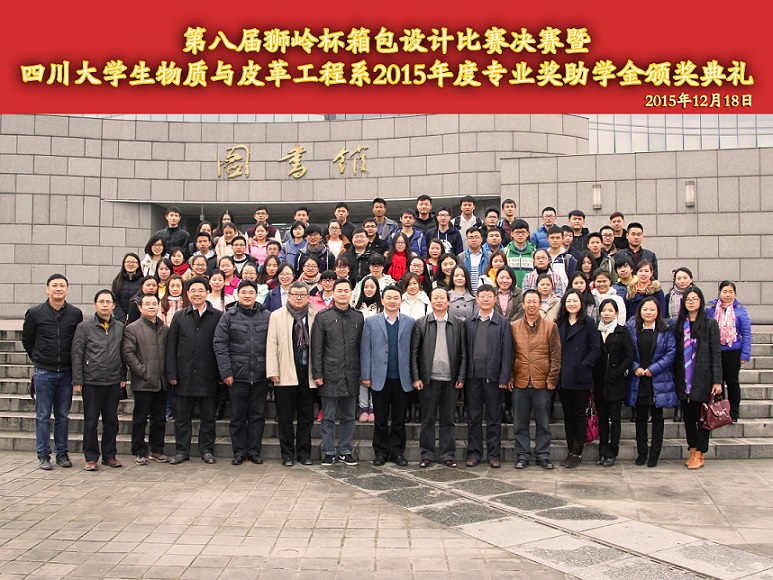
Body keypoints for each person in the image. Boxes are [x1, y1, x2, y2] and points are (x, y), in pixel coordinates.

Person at [22, 274, 84, 470]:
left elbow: (77, 342)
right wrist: (38, 358)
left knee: (62, 416)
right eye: (54, 285)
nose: (58, 288)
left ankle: (62, 454)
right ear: (47, 288)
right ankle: (43, 455)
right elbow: (27, 340)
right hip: (44, 372)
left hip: (66, 372)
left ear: (67, 289)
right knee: (42, 416)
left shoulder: (75, 314)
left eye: (62, 285)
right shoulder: (35, 313)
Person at [213, 279, 271, 466]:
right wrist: (226, 372)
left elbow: (274, 344)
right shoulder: (228, 317)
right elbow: (220, 345)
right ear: (238, 295)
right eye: (243, 292)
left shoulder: (267, 316)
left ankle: (254, 451)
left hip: (260, 375)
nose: (247, 296)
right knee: (237, 417)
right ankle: (239, 451)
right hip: (237, 376)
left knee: (257, 416)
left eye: (250, 292)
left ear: (256, 295)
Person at [166, 277, 223, 465]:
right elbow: (171, 346)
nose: (197, 294)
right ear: (187, 294)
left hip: (208, 375)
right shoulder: (179, 316)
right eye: (193, 291)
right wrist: (172, 373)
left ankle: (207, 450)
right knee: (182, 418)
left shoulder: (217, 316)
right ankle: (182, 451)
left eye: (201, 290)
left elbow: (222, 346)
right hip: (184, 375)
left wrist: (221, 373)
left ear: (207, 293)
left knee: (208, 417)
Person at [411, 286, 467, 468]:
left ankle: (447, 454)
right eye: (435, 298)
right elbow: (414, 353)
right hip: (428, 380)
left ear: (448, 301)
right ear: (430, 301)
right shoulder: (421, 323)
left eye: (442, 297)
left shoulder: (458, 324)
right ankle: (427, 454)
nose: (439, 301)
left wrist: (461, 376)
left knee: (448, 419)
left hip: (451, 380)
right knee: (427, 419)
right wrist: (416, 377)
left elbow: (464, 353)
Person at [360, 286, 416, 466]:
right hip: (379, 378)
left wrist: (415, 376)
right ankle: (381, 452)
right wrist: (366, 375)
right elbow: (365, 350)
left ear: (401, 300)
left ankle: (397, 452)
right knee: (381, 419)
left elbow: (414, 351)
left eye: (395, 298)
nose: (392, 301)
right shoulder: (371, 322)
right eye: (388, 298)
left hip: (402, 378)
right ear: (382, 300)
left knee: (399, 419)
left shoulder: (410, 322)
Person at [311, 278, 365, 466]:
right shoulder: (323, 317)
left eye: (346, 290)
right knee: (328, 416)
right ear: (333, 293)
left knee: (349, 416)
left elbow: (362, 347)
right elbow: (317, 348)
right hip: (329, 374)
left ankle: (345, 450)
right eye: (339, 290)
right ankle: (328, 451)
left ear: (351, 293)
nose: (343, 294)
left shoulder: (358, 317)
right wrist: (317, 373)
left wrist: (362, 372)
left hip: (351, 373)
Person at [71, 289, 125, 471]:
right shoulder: (84, 327)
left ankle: (109, 455)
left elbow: (123, 354)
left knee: (112, 421)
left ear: (113, 305)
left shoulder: (119, 327)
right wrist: (77, 380)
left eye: (108, 302)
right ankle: (91, 457)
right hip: (92, 381)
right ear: (95, 305)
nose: (105, 305)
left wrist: (122, 376)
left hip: (113, 381)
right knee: (91, 422)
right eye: (101, 302)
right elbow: (77, 354)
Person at [509, 289, 562, 470]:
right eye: (528, 302)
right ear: (523, 304)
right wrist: (510, 376)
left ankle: (543, 455)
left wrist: (552, 379)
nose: (531, 305)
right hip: (520, 380)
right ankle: (522, 455)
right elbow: (510, 354)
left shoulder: (550, 326)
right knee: (520, 423)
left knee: (543, 423)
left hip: (542, 381)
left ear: (540, 304)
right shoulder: (513, 326)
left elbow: (556, 355)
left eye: (535, 301)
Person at [267, 282, 317, 466]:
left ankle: (304, 453)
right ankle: (287, 454)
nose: (299, 297)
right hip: (285, 372)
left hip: (307, 373)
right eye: (295, 294)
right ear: (288, 296)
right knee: (285, 417)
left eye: (302, 294)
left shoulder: (315, 315)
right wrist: (273, 371)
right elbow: (271, 344)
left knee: (306, 417)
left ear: (308, 297)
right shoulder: (276, 315)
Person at [463, 284, 513, 468]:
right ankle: (474, 453)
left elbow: (507, 353)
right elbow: (464, 351)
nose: (485, 299)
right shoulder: (469, 322)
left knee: (494, 418)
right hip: (473, 378)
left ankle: (494, 455)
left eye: (489, 296)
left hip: (493, 379)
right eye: (482, 296)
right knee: (473, 418)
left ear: (495, 299)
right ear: (477, 299)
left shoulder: (503, 323)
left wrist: (504, 378)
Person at [674, 286, 723, 470]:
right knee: (688, 416)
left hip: (703, 377)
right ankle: (693, 449)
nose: (691, 302)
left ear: (700, 301)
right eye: (688, 299)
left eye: (695, 299)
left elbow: (716, 353)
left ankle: (700, 453)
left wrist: (717, 380)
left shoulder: (710, 324)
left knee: (703, 417)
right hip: (684, 377)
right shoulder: (679, 324)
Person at [626, 296, 677, 468]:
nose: (648, 312)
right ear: (640, 311)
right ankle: (642, 452)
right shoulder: (632, 329)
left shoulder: (665, 330)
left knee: (657, 417)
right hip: (638, 379)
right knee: (640, 417)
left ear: (658, 311)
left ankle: (655, 453)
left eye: (652, 309)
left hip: (658, 379)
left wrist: (652, 369)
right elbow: (627, 351)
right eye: (645, 309)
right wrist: (635, 367)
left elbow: (670, 353)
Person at [122, 293, 169, 466]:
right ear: (140, 307)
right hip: (143, 382)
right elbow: (128, 353)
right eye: (147, 304)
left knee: (159, 419)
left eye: (154, 303)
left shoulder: (164, 329)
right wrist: (144, 372)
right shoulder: (132, 329)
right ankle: (139, 451)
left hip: (161, 382)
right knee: (140, 419)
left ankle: (157, 450)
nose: (151, 307)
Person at [556, 289, 601, 468]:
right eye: (569, 301)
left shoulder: (588, 323)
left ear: (581, 303)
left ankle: (577, 452)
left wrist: (584, 365)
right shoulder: (560, 323)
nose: (572, 304)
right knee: (568, 416)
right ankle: (570, 450)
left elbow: (595, 349)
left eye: (575, 300)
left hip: (581, 376)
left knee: (579, 415)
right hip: (564, 376)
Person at [593, 298, 635, 467]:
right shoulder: (596, 331)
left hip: (615, 382)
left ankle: (613, 450)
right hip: (599, 382)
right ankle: (602, 450)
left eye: (610, 310)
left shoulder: (622, 332)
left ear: (616, 313)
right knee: (602, 418)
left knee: (614, 418)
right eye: (604, 310)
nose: (607, 313)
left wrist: (618, 373)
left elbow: (630, 356)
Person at [706, 281, 752, 422]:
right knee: (717, 382)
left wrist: (745, 354)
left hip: (733, 351)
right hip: (715, 351)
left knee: (732, 382)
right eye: (725, 291)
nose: (727, 295)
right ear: (719, 293)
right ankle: (720, 412)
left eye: (730, 292)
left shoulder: (740, 310)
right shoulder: (711, 310)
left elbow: (746, 333)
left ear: (735, 294)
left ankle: (734, 412)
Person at [111, 253, 142, 322]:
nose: (130, 264)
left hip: (138, 320)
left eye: (133, 262)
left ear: (138, 265)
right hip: (120, 320)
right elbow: (115, 300)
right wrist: (122, 318)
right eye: (128, 262)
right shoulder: (117, 281)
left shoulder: (143, 282)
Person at [505, 219, 535, 288]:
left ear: (528, 233)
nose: (520, 235)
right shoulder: (505, 252)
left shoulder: (534, 252)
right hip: (511, 290)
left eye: (523, 232)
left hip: (530, 291)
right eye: (517, 232)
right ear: (512, 234)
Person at [458, 227, 489, 292]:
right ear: (467, 240)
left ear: (481, 239)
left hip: (485, 292)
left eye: (476, 237)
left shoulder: (489, 256)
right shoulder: (461, 257)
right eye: (470, 237)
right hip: (467, 292)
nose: (474, 240)